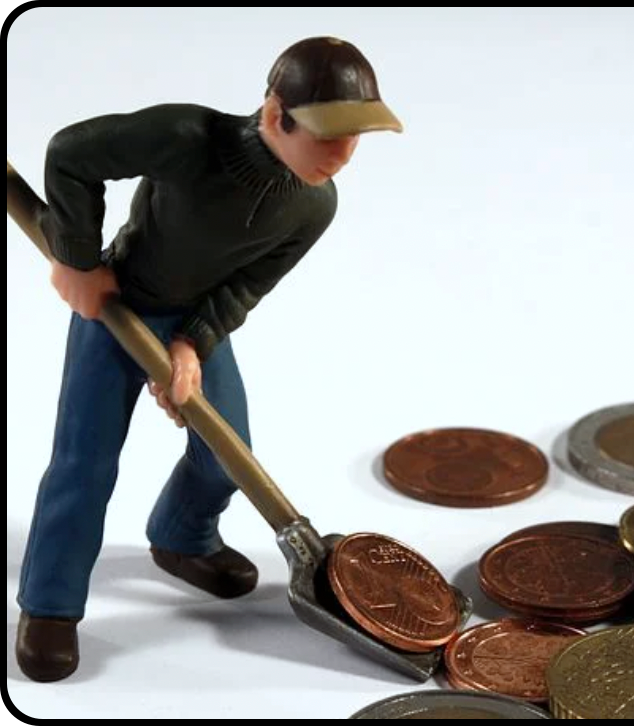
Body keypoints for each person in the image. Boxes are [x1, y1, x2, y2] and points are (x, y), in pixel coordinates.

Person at [15, 36, 402, 683]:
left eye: (355, 136)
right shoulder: (188, 138)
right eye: (329, 134)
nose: (341, 155)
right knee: (85, 465)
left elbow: (246, 286)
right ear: (276, 114)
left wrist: (193, 343)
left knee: (227, 454)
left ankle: (181, 537)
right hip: (115, 308)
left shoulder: (314, 205)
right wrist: (77, 259)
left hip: (191, 323)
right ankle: (50, 605)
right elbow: (71, 154)